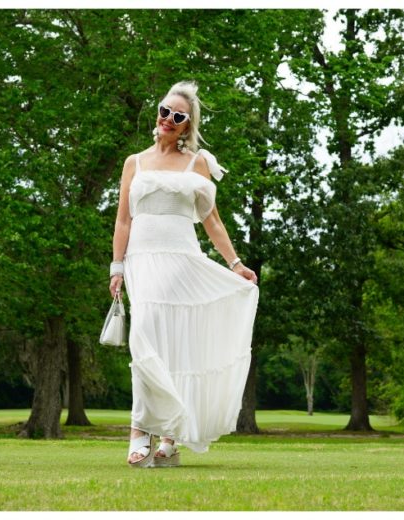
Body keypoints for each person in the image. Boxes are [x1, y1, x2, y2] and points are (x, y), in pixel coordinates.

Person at [109, 80, 260, 468]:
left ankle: (169, 438)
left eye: (178, 116)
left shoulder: (198, 164)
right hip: (142, 260)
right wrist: (117, 267)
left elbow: (211, 220)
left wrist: (235, 264)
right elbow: (123, 220)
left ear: (187, 125)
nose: (169, 119)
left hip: (181, 261)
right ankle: (138, 430)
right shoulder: (134, 163)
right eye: (165, 111)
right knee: (144, 338)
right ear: (156, 112)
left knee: (171, 345)